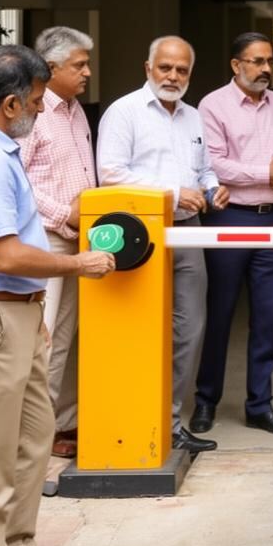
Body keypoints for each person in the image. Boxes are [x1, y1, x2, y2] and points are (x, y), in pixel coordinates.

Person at [0, 45, 115, 546]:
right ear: (10, 104)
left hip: (16, 314)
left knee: (31, 439)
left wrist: (34, 308)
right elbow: (6, 256)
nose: (42, 109)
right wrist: (77, 264)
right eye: (36, 100)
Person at [96, 35, 229, 454]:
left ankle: (169, 423)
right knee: (138, 330)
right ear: (148, 68)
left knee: (189, 328)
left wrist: (213, 188)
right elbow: (110, 174)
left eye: (181, 70)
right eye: (165, 68)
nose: (173, 76)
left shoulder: (193, 117)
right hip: (139, 238)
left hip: (187, 230)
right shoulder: (124, 112)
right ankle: (135, 422)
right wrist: (173, 193)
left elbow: (204, 170)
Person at [191, 32, 273, 437]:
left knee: (266, 316)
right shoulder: (212, 105)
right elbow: (214, 163)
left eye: (269, 61)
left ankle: (259, 405)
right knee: (220, 312)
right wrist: (267, 173)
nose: (266, 69)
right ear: (236, 65)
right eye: (257, 61)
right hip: (229, 218)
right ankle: (206, 401)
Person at [18, 26, 96, 460]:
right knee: (44, 340)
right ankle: (35, 434)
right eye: (79, 65)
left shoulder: (75, 110)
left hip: (78, 239)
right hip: (46, 238)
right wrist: (65, 213)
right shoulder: (31, 111)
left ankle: (62, 421)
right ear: (51, 68)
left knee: (67, 336)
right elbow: (17, 181)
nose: (87, 72)